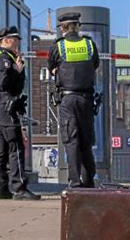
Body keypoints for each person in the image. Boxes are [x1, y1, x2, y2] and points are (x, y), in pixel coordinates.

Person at [47, 12, 100, 188]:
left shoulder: (58, 47)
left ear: (63, 28)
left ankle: (75, 180)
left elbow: (51, 67)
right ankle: (89, 179)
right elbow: (95, 64)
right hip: (86, 98)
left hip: (67, 98)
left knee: (71, 140)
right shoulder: (89, 44)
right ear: (78, 26)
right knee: (86, 139)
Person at [0, 26, 40, 200]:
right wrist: (18, 71)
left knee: (0, 149)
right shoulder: (4, 58)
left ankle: (1, 189)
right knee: (16, 146)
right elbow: (5, 82)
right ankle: (19, 188)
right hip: (6, 106)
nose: (18, 42)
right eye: (14, 39)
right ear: (5, 40)